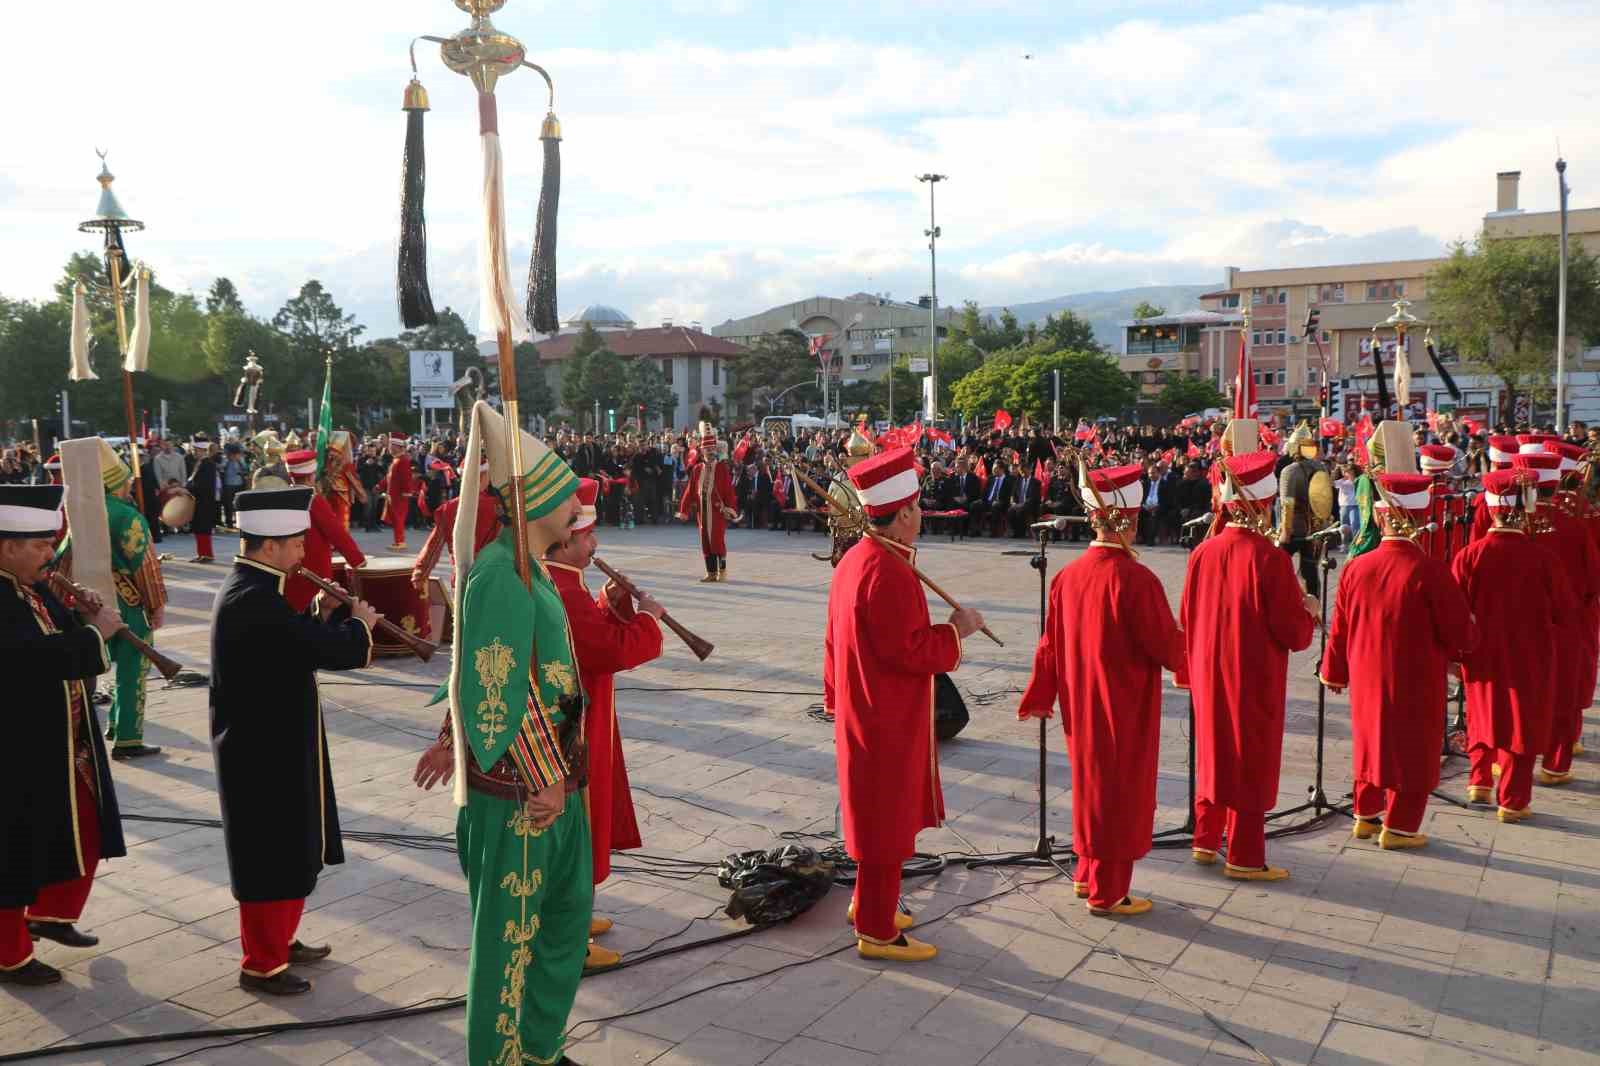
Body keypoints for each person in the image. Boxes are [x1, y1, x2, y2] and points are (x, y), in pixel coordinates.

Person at [412, 403, 591, 1066]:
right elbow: (494, 685)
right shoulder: (502, 573)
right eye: (567, 493)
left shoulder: (531, 567)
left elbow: (487, 665)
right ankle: (500, 1056)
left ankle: (538, 1047)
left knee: (566, 921)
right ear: (535, 501)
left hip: (558, 782)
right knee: (509, 941)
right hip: (521, 796)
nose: (577, 502)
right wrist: (545, 774)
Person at [210, 487, 378, 995]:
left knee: (289, 844)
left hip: (274, 739)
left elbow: (289, 643)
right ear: (269, 547)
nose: (304, 553)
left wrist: (326, 613)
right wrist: (358, 628)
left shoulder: (259, 589)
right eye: (296, 544)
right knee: (270, 851)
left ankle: (280, 939)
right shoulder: (252, 597)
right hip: (260, 749)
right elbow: (312, 649)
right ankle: (261, 962)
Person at [825, 447, 984, 962]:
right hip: (885, 714)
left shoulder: (859, 558)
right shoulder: (888, 571)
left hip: (865, 707)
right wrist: (955, 632)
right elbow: (910, 651)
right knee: (885, 819)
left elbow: (833, 642)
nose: (920, 518)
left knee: (879, 814)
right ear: (904, 515)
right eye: (916, 510)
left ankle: (870, 902)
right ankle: (875, 929)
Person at [1018, 463, 1184, 917]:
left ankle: (1087, 871)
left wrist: (1041, 691)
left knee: (1091, 785)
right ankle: (1108, 890)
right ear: (1128, 520)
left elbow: (1049, 642)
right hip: (1124, 705)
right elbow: (1168, 647)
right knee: (1121, 792)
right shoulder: (1136, 579)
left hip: (1080, 702)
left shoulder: (1068, 576)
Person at [0, 485, 127, 986]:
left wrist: (81, 614)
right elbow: (31, 659)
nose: (51, 555)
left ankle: (48, 914)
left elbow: (55, 637)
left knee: (82, 825)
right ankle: (10, 955)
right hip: (15, 745)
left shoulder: (24, 586)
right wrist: (98, 634)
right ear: (8, 546)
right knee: (12, 847)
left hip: (54, 736)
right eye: (40, 546)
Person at [543, 479, 664, 971]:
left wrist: (611, 606)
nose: (595, 547)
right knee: (579, 827)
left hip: (588, 716)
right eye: (588, 537)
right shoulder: (561, 586)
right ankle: (568, 933)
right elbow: (604, 650)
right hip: (575, 727)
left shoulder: (569, 583)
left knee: (586, 823)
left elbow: (587, 636)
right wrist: (648, 622)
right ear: (565, 541)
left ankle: (575, 914)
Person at [1321, 473, 1478, 850]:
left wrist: (1334, 670)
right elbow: (1460, 635)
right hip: (1416, 674)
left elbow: (1340, 625)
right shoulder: (1430, 570)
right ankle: (1401, 826)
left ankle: (1366, 815)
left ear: (1378, 518)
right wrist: (1466, 645)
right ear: (1420, 518)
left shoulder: (1356, 566)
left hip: (1366, 671)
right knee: (1415, 748)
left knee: (1370, 739)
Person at [1181, 448, 1316, 881]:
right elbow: (1293, 634)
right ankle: (1244, 853)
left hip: (1208, 671)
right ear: (1264, 502)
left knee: (1213, 751)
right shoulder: (1270, 559)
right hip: (1252, 675)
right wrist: (1308, 608)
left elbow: (1187, 615)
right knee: (1250, 758)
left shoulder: (1203, 551)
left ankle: (1205, 838)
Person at [1452, 469, 1558, 822]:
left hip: (1480, 650)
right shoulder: (1542, 557)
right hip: (1530, 652)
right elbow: (1564, 611)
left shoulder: (1468, 555)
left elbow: (1455, 611)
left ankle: (1479, 781)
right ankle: (1512, 800)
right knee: (1521, 722)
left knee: (1481, 713)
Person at [74, 439, 167, 759]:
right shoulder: (127, 516)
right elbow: (146, 567)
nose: (130, 485)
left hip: (86, 602)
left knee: (101, 666)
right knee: (131, 669)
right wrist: (156, 604)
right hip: (128, 602)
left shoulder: (80, 513)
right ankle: (128, 736)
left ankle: (114, 723)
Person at [1524, 447, 1600, 783]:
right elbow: (1593, 579)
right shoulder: (1578, 520)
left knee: (1521, 690)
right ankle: (1555, 764)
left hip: (1523, 620)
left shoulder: (1516, 522)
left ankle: (1507, 762)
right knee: (1564, 692)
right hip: (1570, 619)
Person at [281, 450, 367, 614]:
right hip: (314, 565)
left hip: (289, 563)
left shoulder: (283, 497)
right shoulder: (313, 499)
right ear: (309, 476)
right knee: (315, 608)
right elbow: (336, 532)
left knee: (293, 603)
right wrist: (356, 559)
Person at [1276, 422, 1334, 594]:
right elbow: (1325, 498)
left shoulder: (1289, 471)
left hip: (1295, 527)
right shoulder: (1321, 466)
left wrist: (1285, 531)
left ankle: (1286, 603)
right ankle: (1313, 610)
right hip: (1316, 527)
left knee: (1278, 567)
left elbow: (1287, 503)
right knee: (1310, 571)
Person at [677, 422, 739, 582]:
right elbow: (690, 491)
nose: (710, 452)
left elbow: (729, 490)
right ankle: (711, 572)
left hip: (718, 511)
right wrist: (683, 510)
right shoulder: (697, 469)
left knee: (717, 540)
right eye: (707, 449)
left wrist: (731, 508)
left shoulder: (721, 468)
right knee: (705, 541)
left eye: (712, 449)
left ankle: (722, 571)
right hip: (702, 511)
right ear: (702, 451)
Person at [186, 436, 222, 563]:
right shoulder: (201, 463)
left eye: (196, 450)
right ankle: (202, 553)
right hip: (198, 501)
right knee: (198, 528)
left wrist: (189, 488)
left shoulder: (208, 464)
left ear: (202, 450)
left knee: (203, 529)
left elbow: (203, 485)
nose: (193, 452)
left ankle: (207, 554)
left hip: (204, 502)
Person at [377, 436, 414, 551]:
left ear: (398, 447)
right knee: (396, 519)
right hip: (393, 496)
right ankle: (398, 541)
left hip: (399, 496)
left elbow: (406, 478)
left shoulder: (403, 460)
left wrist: (407, 491)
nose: (389, 448)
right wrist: (380, 485)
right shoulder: (396, 460)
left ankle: (400, 542)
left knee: (398, 519)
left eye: (392, 446)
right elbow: (389, 477)